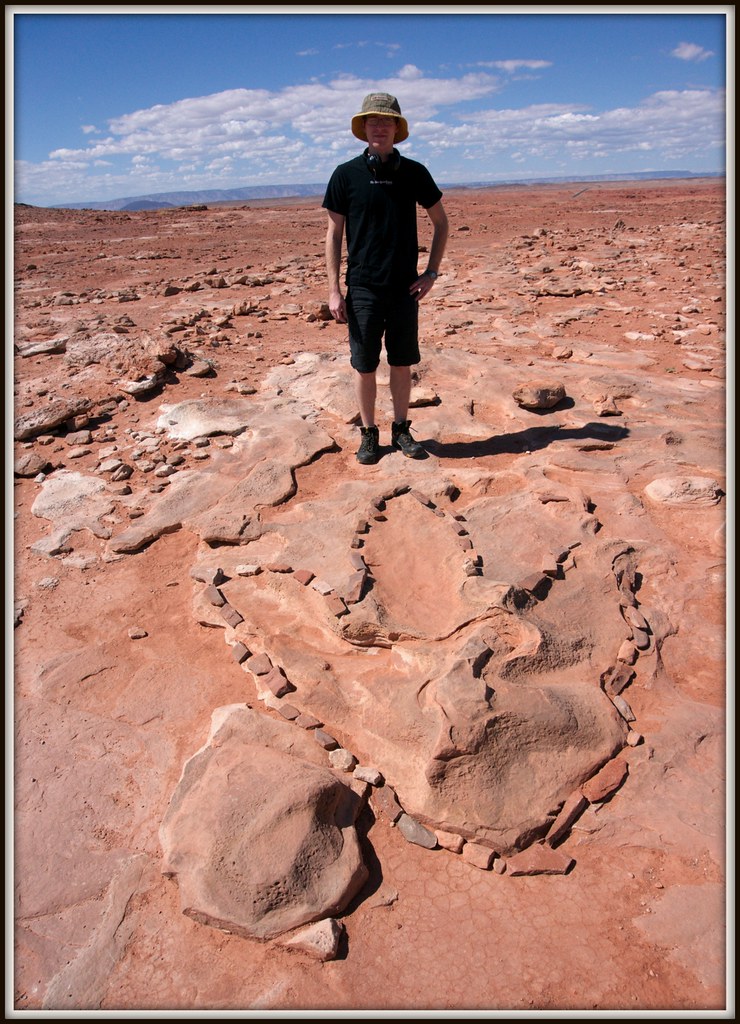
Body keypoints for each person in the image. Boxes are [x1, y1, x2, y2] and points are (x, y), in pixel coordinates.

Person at [323, 93, 449, 465]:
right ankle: (368, 434)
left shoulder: (414, 173)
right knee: (364, 364)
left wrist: (431, 272)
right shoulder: (345, 175)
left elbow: (441, 223)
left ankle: (401, 428)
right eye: (372, 121)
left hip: (403, 287)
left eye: (386, 121)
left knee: (401, 361)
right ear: (364, 129)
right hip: (362, 286)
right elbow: (333, 234)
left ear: (397, 128)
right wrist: (334, 289)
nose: (379, 127)